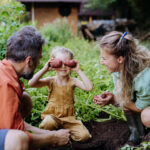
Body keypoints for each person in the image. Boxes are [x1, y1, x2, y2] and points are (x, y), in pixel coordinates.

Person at [0, 26, 70, 150]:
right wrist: (53, 138)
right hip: (11, 135)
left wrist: (46, 133)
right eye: (39, 59)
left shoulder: (5, 71)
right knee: (17, 140)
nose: (39, 64)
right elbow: (11, 133)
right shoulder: (6, 84)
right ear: (29, 61)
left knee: (24, 99)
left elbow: (14, 123)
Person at [93, 31, 150, 144]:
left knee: (147, 116)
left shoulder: (145, 77)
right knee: (122, 92)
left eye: (104, 58)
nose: (101, 62)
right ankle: (138, 133)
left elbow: (139, 107)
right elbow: (124, 99)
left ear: (119, 59)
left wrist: (121, 99)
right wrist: (113, 99)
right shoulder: (120, 69)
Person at [28, 47, 93, 142]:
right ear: (53, 64)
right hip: (52, 116)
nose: (63, 66)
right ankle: (53, 135)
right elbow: (31, 83)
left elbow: (89, 87)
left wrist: (78, 70)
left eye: (67, 63)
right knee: (48, 122)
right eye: (59, 63)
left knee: (84, 136)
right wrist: (45, 69)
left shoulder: (73, 81)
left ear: (72, 64)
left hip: (69, 118)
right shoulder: (50, 80)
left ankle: (62, 133)